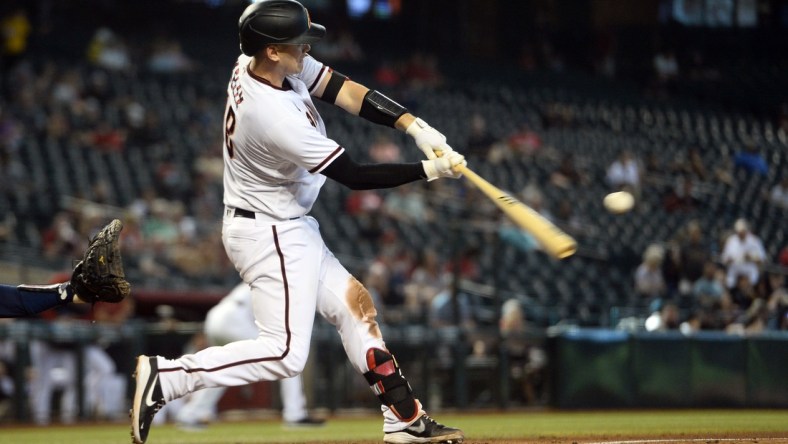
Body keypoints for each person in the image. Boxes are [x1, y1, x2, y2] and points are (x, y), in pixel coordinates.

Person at [130, 2, 466, 444]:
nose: (306, 49)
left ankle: (404, 417)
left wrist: (412, 124)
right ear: (271, 50)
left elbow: (341, 89)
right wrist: (428, 171)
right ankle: (168, 377)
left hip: (286, 223)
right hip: (268, 230)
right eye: (297, 43)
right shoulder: (272, 115)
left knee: (355, 308)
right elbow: (355, 177)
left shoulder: (262, 63)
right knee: (285, 355)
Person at [175, 282, 324, 429]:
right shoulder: (279, 281)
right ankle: (295, 414)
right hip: (235, 319)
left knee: (224, 370)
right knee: (287, 357)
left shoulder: (264, 275)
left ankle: (190, 414)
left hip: (217, 317)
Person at [721, 218, 766, 289]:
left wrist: (751, 257)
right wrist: (728, 260)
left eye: (742, 231)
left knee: (754, 278)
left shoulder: (754, 241)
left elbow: (762, 259)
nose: (741, 234)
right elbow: (724, 259)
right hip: (735, 268)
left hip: (749, 269)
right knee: (729, 281)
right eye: (739, 232)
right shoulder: (731, 241)